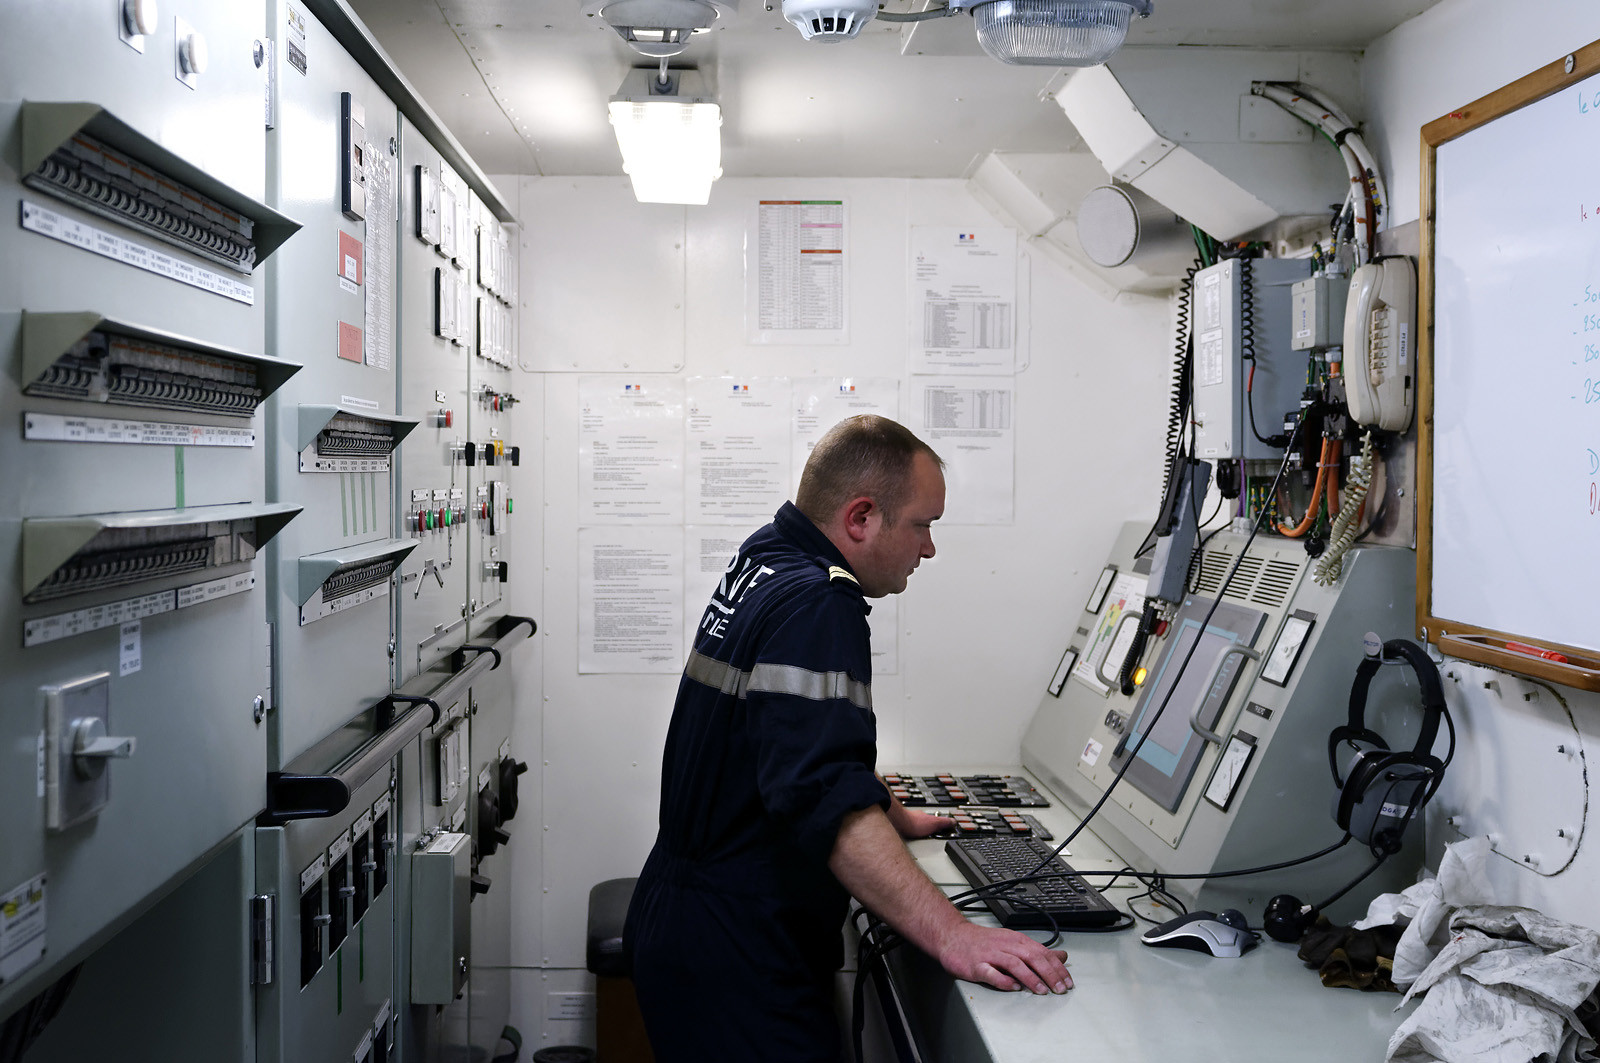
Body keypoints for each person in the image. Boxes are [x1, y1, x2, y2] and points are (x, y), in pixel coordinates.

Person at [624, 414, 1071, 1062]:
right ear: (861, 518)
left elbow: (795, 748)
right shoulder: (818, 604)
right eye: (923, 524)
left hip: (692, 916)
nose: (929, 548)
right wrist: (955, 936)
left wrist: (895, 814)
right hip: (736, 951)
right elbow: (823, 798)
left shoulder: (768, 558)